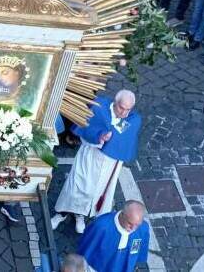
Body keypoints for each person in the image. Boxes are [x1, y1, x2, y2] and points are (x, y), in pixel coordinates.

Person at [51, 90, 141, 234]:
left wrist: (111, 137)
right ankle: (61, 213)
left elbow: (124, 138)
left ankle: (80, 215)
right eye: (121, 108)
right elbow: (85, 131)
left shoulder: (132, 119)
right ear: (115, 102)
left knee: (95, 192)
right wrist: (99, 136)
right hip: (90, 156)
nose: (124, 113)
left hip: (111, 163)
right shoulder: (99, 108)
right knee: (77, 186)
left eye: (128, 109)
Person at [77, 200, 150, 272]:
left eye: (137, 224)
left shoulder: (143, 228)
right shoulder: (101, 226)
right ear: (122, 214)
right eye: (130, 223)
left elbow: (142, 249)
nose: (133, 228)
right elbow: (86, 248)